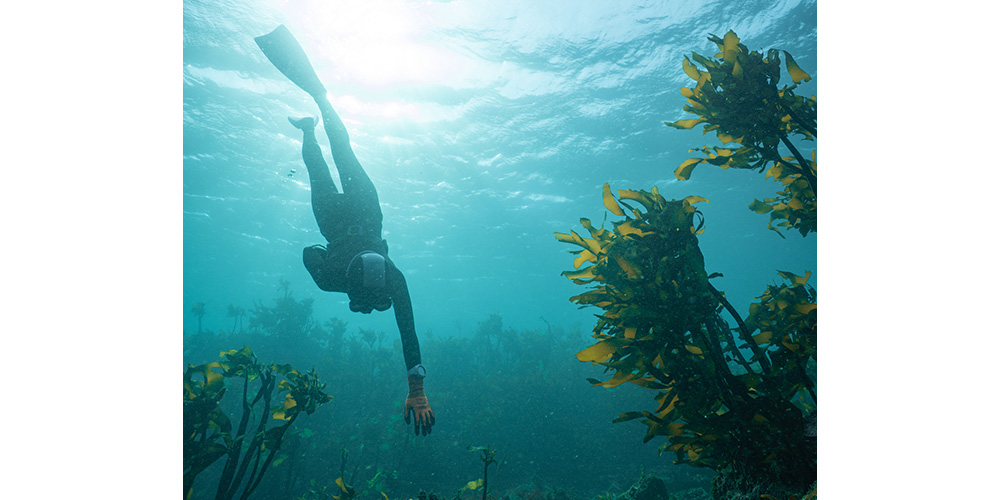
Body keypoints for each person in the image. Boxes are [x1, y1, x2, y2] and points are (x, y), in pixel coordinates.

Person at [255, 25, 434, 436]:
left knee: (320, 166)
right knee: (342, 152)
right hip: (361, 214)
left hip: (337, 222)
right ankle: (319, 99)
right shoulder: (390, 279)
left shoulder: (339, 280)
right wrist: (416, 387)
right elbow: (407, 327)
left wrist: (327, 268)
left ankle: (307, 128)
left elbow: (306, 253)